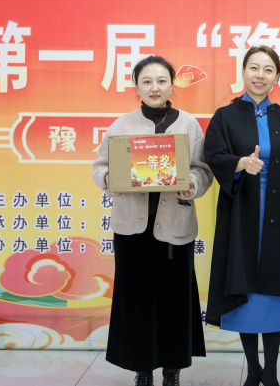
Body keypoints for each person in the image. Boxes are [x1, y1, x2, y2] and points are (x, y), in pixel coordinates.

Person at [92, 55, 213, 386]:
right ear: (136, 86)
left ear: (172, 85)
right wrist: (109, 180)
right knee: (136, 300)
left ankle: (172, 369)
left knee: (175, 299)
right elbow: (100, 166)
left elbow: (203, 170)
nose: (154, 87)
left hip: (175, 226)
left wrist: (192, 185)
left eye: (161, 80)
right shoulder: (121, 126)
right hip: (132, 229)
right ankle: (141, 369)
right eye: (147, 81)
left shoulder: (188, 124)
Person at [203, 45, 280, 386]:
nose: (260, 75)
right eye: (254, 68)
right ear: (243, 72)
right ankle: (253, 369)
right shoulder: (225, 116)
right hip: (243, 214)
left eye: (268, 70)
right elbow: (213, 155)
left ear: (277, 77)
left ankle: (271, 372)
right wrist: (240, 163)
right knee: (247, 291)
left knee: (274, 292)